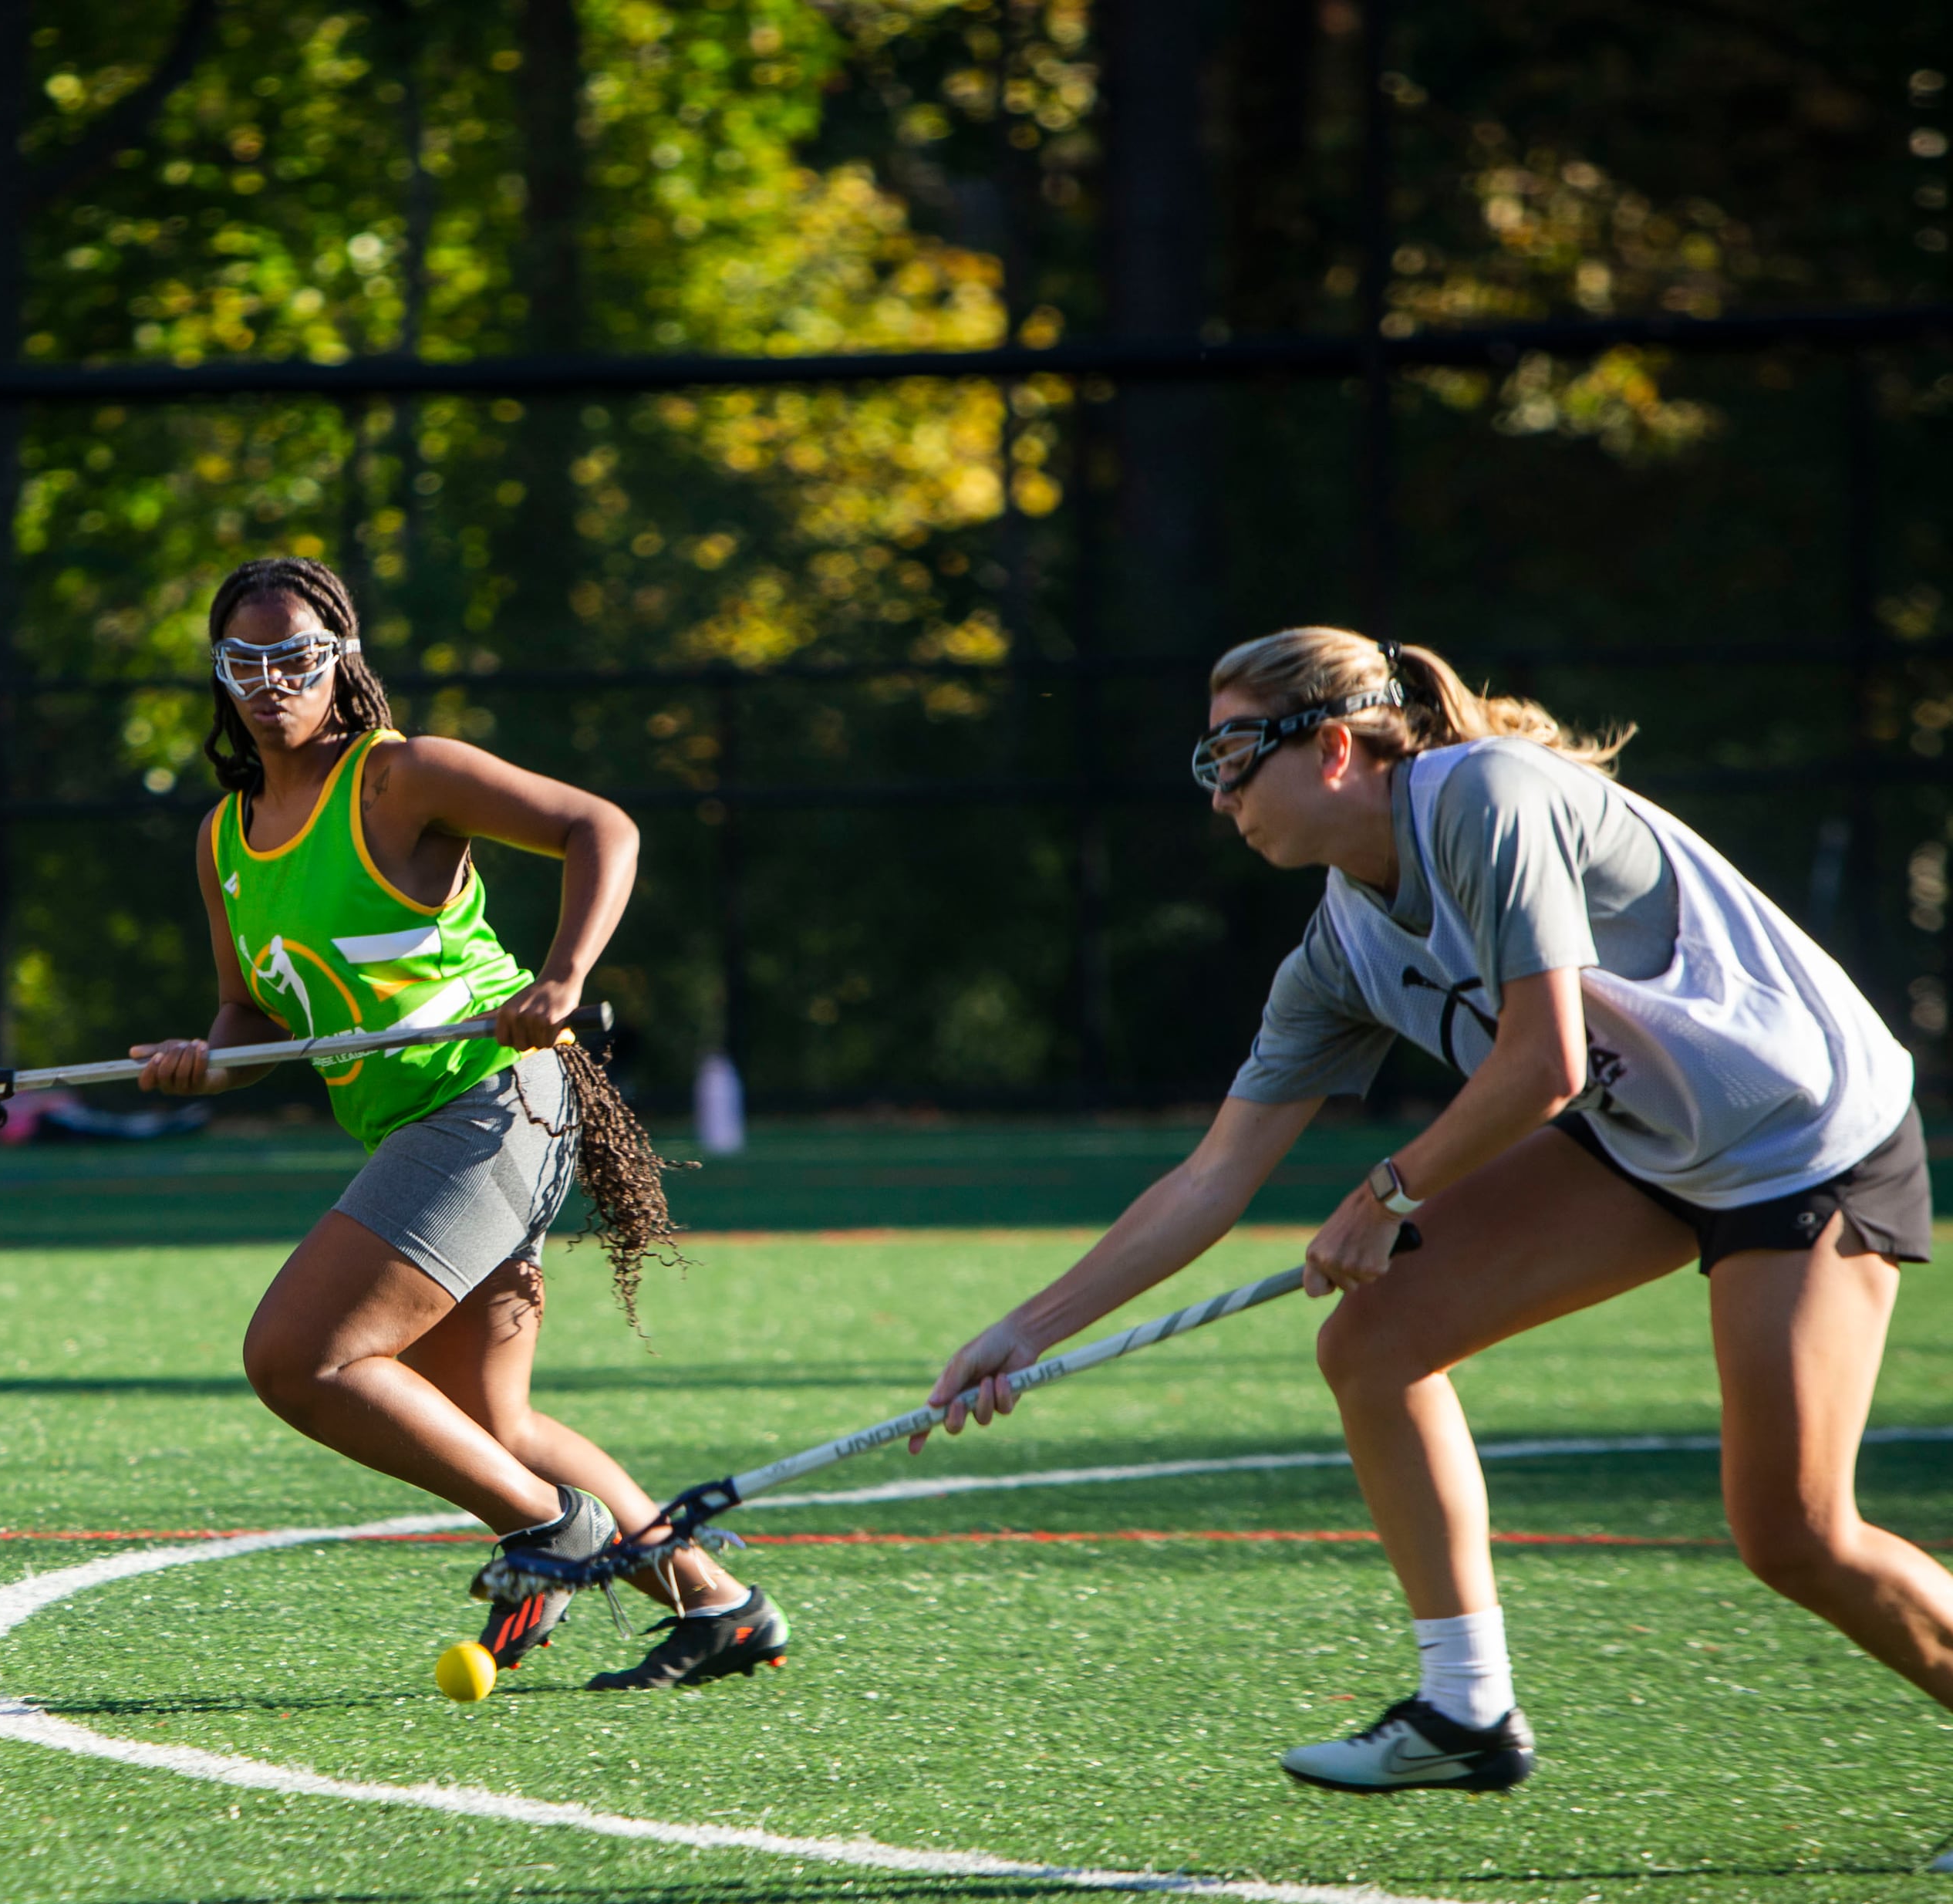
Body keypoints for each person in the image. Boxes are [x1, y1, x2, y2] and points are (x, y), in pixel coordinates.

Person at [920, 626, 1951, 1799]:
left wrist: (1388, 1193)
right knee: (1376, 1339)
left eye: (1230, 760)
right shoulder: (1338, 949)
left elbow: (1546, 1065)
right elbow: (1212, 1178)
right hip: (1652, 1143)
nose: (1220, 800)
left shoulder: (1487, 797)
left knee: (1797, 1536)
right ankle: (1466, 1709)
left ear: (1335, 745)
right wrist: (1029, 1329)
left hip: (1804, 1138)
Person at [129, 555, 789, 1690]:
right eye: (248, 660)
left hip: (491, 1102)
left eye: (298, 655)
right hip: (418, 1125)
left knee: (298, 1356)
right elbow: (247, 1016)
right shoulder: (222, 840)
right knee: (491, 1420)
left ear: (342, 662)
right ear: (220, 676)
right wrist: (202, 1063)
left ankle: (551, 1530)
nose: (273, 680)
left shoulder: (401, 778)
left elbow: (602, 827)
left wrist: (566, 974)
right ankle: (719, 1609)